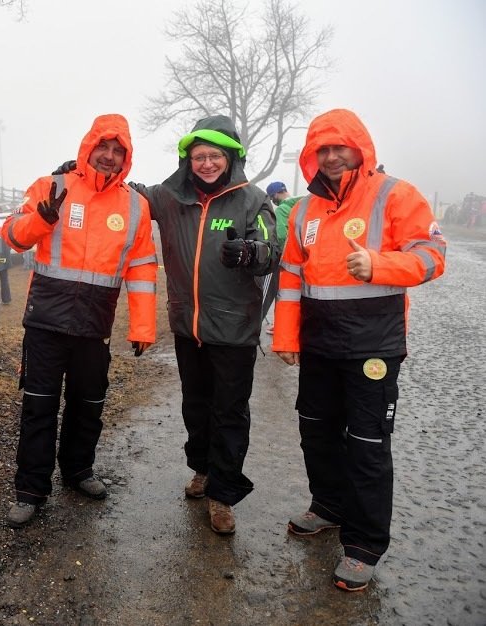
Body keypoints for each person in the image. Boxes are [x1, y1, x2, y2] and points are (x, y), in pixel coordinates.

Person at [272, 108, 446, 591]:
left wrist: (379, 264)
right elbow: (290, 277)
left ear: (359, 148)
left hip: (374, 347)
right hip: (320, 347)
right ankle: (327, 506)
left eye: (338, 148)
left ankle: (364, 545)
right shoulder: (305, 209)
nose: (330, 157)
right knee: (316, 432)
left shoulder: (395, 194)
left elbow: (432, 257)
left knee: (367, 446)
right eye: (321, 149)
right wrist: (286, 337)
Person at [1, 113, 157, 528]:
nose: (108, 156)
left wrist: (142, 326)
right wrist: (41, 218)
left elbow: (141, 268)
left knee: (88, 405)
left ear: (126, 157)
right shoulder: (52, 187)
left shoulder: (136, 206)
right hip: (46, 322)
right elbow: (13, 237)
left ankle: (77, 471)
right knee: (39, 408)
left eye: (117, 150)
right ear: (87, 148)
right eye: (102, 147)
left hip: (95, 325)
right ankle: (30, 490)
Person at [129, 115, 277, 535]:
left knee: (229, 413)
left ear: (231, 157)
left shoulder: (252, 199)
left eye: (215, 155)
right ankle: (202, 470)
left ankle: (223, 494)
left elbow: (270, 249)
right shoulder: (169, 198)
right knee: (196, 406)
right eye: (199, 156)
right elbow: (128, 196)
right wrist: (81, 173)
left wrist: (249, 252)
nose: (207, 163)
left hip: (234, 331)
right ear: (187, 160)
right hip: (188, 327)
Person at [260, 181, 301, 333]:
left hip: (284, 259)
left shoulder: (282, 209)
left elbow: (281, 235)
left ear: (276, 194)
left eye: (272, 198)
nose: (272, 201)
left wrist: (278, 255)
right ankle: (286, 326)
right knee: (292, 295)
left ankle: (254, 325)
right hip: (302, 260)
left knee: (272, 292)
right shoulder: (301, 206)